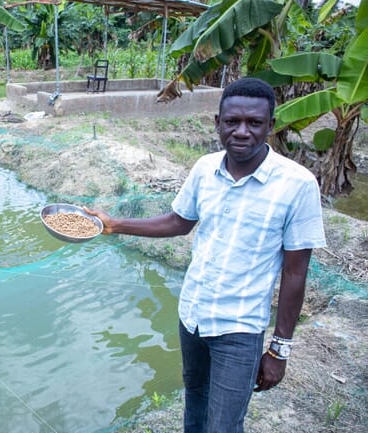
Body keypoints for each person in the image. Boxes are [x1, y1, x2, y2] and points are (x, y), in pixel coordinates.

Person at [84, 77, 326, 433]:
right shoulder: (204, 169)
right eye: (232, 122)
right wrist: (114, 224)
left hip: (239, 328)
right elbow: (179, 222)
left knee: (224, 425)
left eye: (254, 123)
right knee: (195, 402)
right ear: (217, 123)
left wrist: (279, 349)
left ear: (270, 126)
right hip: (193, 316)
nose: (242, 132)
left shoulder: (298, 185)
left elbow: (295, 273)